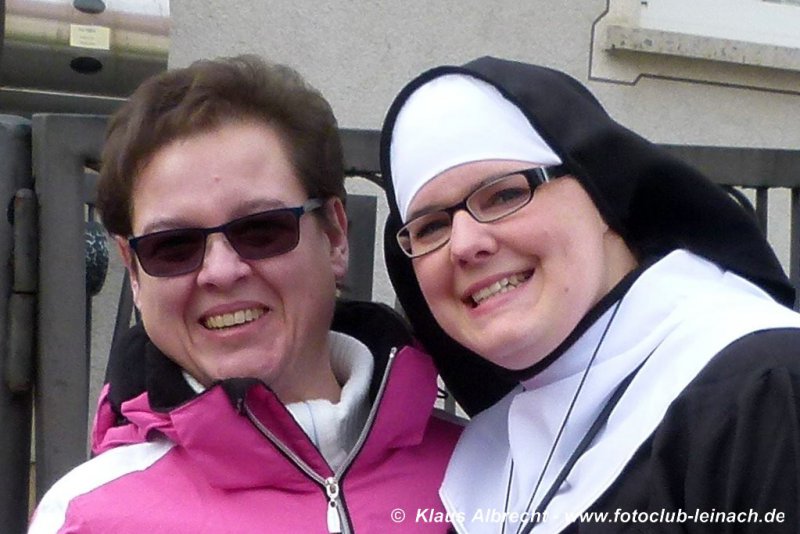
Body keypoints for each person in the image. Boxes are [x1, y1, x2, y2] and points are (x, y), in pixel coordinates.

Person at [28, 55, 461, 533]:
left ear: (336, 236)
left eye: (261, 229)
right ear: (133, 272)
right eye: (173, 246)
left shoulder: (490, 475)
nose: (220, 272)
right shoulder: (86, 517)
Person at [380, 56, 800, 533]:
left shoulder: (763, 388)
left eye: (504, 195)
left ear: (600, 192)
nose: (463, 244)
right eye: (430, 226)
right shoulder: (485, 466)